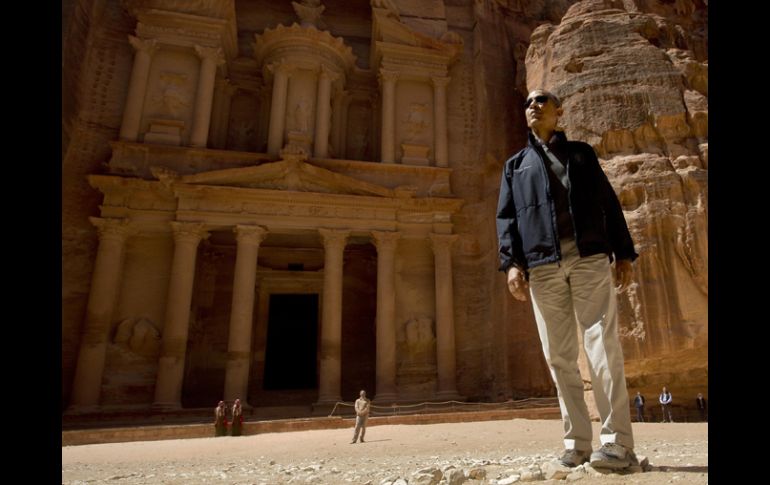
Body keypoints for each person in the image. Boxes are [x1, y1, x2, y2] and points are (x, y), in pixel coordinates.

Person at [496, 89, 639, 470]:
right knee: (559, 357)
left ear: (559, 111)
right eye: (527, 102)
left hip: (588, 256)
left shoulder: (581, 154)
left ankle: (617, 444)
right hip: (542, 266)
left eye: (541, 100)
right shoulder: (515, 166)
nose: (532, 106)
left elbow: (607, 202)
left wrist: (623, 251)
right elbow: (506, 219)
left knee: (602, 347)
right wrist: (512, 263)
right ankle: (577, 443)